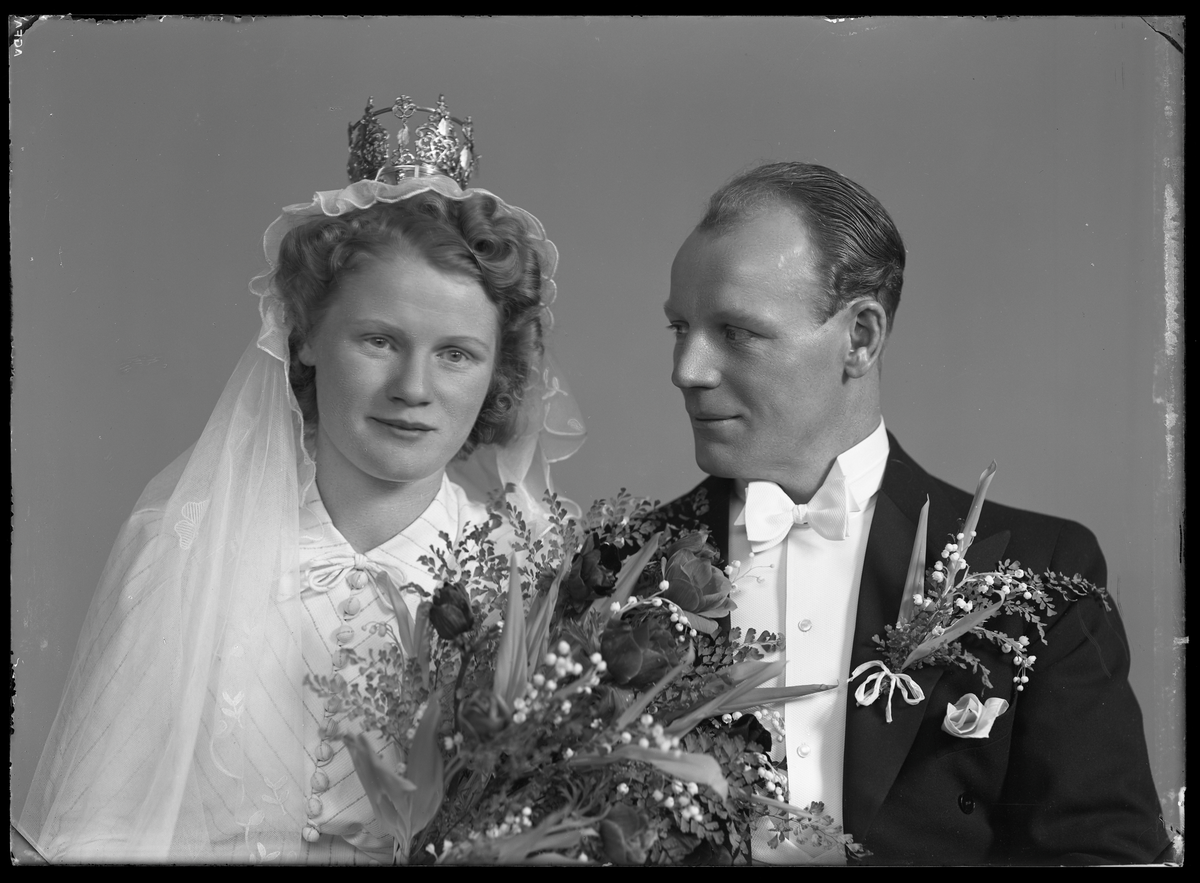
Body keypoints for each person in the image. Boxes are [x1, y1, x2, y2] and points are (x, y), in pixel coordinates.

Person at [16, 116, 584, 863]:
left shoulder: (532, 578)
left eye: (455, 354)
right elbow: (91, 831)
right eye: (378, 340)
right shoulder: (184, 545)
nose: (413, 388)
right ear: (307, 335)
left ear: (496, 370)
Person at [657, 162, 1171, 864]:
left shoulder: (1041, 573)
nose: (687, 369)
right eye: (679, 327)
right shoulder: (618, 571)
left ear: (861, 338)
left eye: (736, 331)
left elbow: (1102, 850)